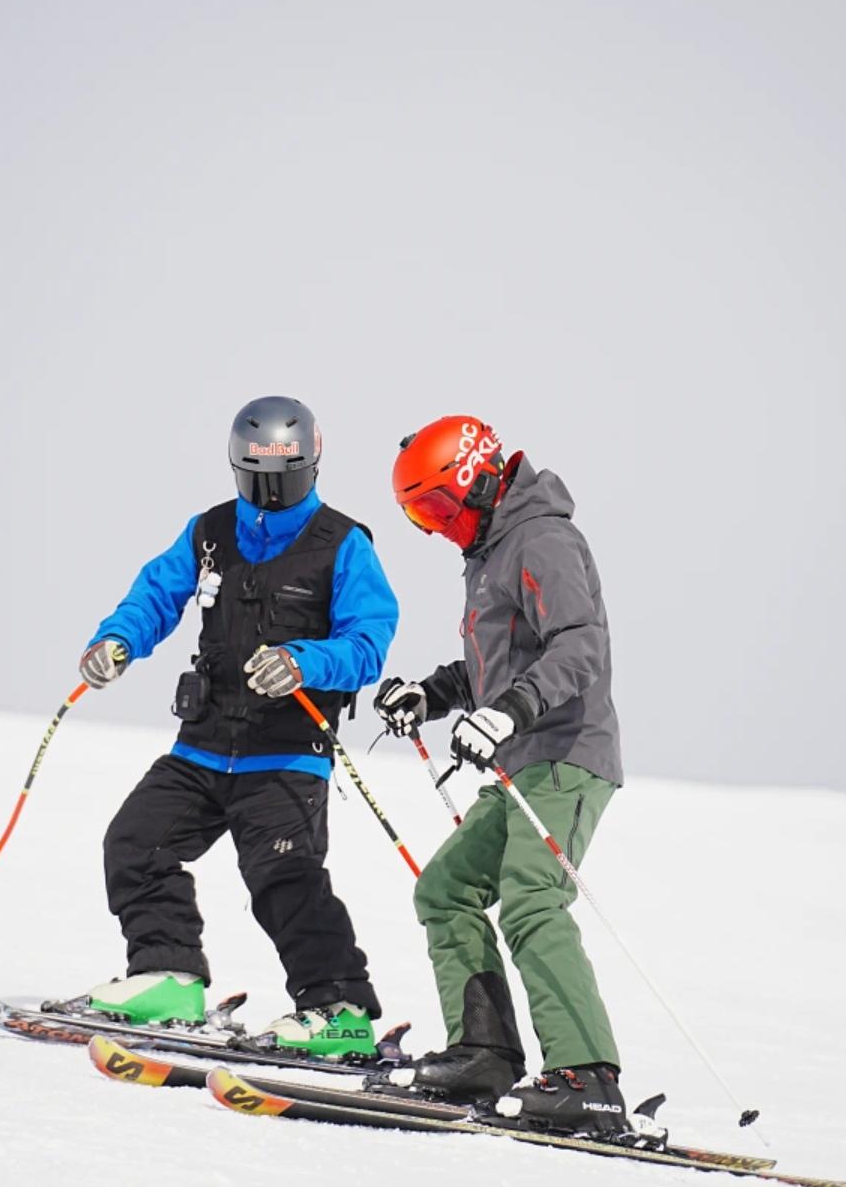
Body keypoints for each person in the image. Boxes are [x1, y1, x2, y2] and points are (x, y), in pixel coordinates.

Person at [72, 396, 398, 1055]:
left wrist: (302, 662)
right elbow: (156, 594)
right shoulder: (210, 532)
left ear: (311, 466)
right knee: (135, 842)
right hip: (203, 745)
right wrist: (117, 641)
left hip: (286, 753)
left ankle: (339, 1011)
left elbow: (368, 642)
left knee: (285, 877)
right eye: (256, 480)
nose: (269, 494)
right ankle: (168, 975)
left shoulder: (343, 544)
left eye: (284, 480)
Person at [375, 414, 627, 1135]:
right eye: (421, 517)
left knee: (530, 898)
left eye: (440, 507)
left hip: (567, 754)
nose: (437, 527)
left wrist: (508, 712)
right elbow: (494, 666)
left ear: (478, 478)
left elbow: (578, 645)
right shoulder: (490, 553)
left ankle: (588, 1078)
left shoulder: (542, 539)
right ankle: (484, 1053)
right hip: (521, 760)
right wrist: (430, 695)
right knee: (445, 888)